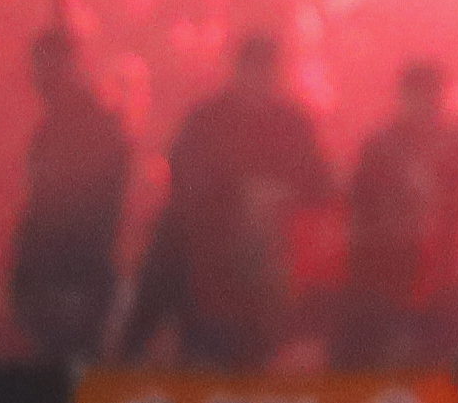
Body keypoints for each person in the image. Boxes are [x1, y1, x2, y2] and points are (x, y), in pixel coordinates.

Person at [120, 32, 331, 367]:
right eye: (253, 69)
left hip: (277, 258)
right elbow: (183, 176)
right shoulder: (207, 119)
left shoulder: (293, 125)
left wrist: (280, 202)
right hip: (209, 254)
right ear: (239, 71)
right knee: (168, 246)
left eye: (265, 70)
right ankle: (124, 363)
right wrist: (235, 200)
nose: (259, 80)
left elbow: (321, 188)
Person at [331, 60, 458, 366]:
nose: (427, 104)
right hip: (385, 274)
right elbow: (357, 211)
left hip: (442, 274)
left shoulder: (456, 146)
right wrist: (398, 212)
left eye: (432, 95)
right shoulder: (378, 149)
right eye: (419, 95)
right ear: (405, 98)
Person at [7, 26, 130, 362]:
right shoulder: (52, 129)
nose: (39, 78)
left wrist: (70, 285)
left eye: (47, 67)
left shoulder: (93, 131)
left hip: (76, 283)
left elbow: (91, 215)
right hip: (55, 281)